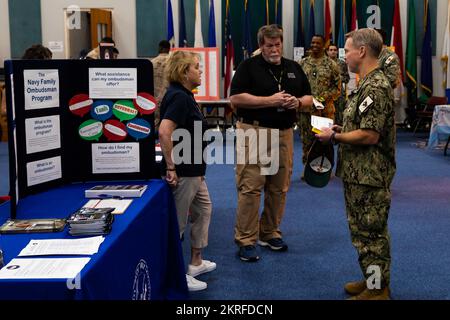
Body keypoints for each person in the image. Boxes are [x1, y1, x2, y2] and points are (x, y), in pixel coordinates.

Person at [316, 28, 395, 300]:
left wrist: (335, 135)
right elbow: (362, 126)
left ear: (362, 51)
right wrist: (342, 127)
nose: (344, 55)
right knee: (362, 232)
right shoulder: (365, 83)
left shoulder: (375, 85)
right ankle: (371, 280)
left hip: (370, 175)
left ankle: (378, 289)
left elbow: (370, 135)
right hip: (359, 173)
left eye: (347, 50)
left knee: (371, 234)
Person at [230, 24, 312, 262]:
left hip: (284, 133)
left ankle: (269, 232)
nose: (274, 49)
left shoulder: (294, 67)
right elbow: (236, 98)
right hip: (254, 131)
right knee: (251, 187)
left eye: (277, 44)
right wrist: (270, 100)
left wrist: (296, 102)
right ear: (261, 45)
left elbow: (309, 97)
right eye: (269, 45)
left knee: (279, 187)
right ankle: (246, 240)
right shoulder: (248, 66)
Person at [158, 50, 215, 291]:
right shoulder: (179, 97)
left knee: (204, 210)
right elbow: (164, 131)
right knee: (178, 225)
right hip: (183, 171)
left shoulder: (184, 95)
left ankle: (196, 262)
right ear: (184, 72)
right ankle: (176, 276)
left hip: (194, 169)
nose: (200, 71)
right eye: (196, 67)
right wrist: (171, 167)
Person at [299, 35, 340, 178]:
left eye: (318, 43)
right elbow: (298, 86)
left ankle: (325, 170)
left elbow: (337, 88)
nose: (314, 45)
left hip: (324, 111)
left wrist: (321, 99)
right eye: (312, 42)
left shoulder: (331, 65)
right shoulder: (303, 63)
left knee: (324, 141)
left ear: (324, 46)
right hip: (305, 111)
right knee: (306, 141)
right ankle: (307, 169)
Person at [327, 43, 350, 126]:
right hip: (327, 93)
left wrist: (338, 79)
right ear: (327, 51)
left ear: (337, 52)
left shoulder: (342, 63)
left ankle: (339, 135)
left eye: (335, 50)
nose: (333, 52)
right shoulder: (324, 64)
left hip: (340, 94)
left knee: (340, 115)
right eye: (331, 50)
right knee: (328, 115)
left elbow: (347, 78)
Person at [151, 40, 171, 129]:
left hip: (154, 99)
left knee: (155, 125)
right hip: (169, 100)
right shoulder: (173, 63)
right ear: (169, 49)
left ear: (159, 48)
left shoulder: (151, 63)